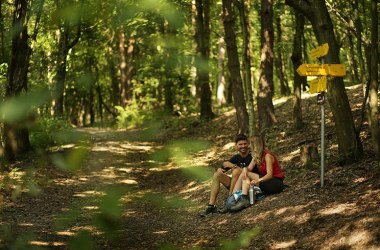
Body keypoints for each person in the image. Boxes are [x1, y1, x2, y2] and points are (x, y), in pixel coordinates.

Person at [200, 134, 252, 217]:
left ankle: (229, 200)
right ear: (236, 146)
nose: (243, 146)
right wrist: (220, 170)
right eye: (240, 144)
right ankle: (211, 206)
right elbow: (224, 167)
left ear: (248, 144)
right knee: (217, 175)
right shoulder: (236, 157)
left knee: (235, 171)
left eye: (245, 144)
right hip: (236, 185)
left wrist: (233, 166)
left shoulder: (252, 156)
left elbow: (249, 174)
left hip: (248, 185)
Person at [230, 134, 284, 212]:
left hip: (275, 183)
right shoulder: (257, 155)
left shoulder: (267, 155)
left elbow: (269, 175)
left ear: (256, 145)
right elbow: (249, 168)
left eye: (251, 145)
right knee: (244, 174)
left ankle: (238, 198)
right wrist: (245, 168)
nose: (249, 147)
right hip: (266, 182)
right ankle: (232, 199)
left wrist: (258, 181)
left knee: (245, 174)